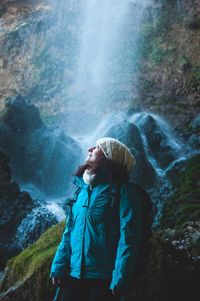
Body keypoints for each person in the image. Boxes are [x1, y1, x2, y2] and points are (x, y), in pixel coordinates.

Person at [50, 137, 142, 301]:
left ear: (109, 158)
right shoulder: (82, 190)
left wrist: (120, 278)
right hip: (73, 273)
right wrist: (58, 265)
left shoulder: (123, 192)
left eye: (98, 147)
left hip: (104, 279)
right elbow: (69, 231)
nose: (90, 148)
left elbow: (128, 238)